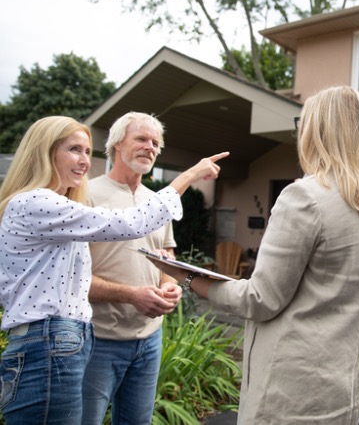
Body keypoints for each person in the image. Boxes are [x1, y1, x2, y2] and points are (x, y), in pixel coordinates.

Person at [156, 86, 359, 424]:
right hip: (345, 381)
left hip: (294, 389)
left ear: (318, 130)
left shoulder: (304, 197)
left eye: (303, 122)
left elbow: (259, 299)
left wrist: (188, 276)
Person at [0, 115, 228, 425]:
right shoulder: (38, 203)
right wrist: (188, 175)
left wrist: (166, 277)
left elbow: (76, 274)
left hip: (75, 338)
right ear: (45, 150)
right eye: (74, 150)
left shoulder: (58, 203)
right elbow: (130, 223)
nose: (84, 161)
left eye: (86, 151)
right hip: (53, 340)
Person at [80, 112, 180, 424]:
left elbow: (166, 257)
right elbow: (69, 277)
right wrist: (131, 295)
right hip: (97, 339)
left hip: (149, 340)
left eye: (155, 143)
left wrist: (170, 284)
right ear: (116, 144)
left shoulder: (157, 201)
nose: (150, 147)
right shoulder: (84, 194)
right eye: (141, 138)